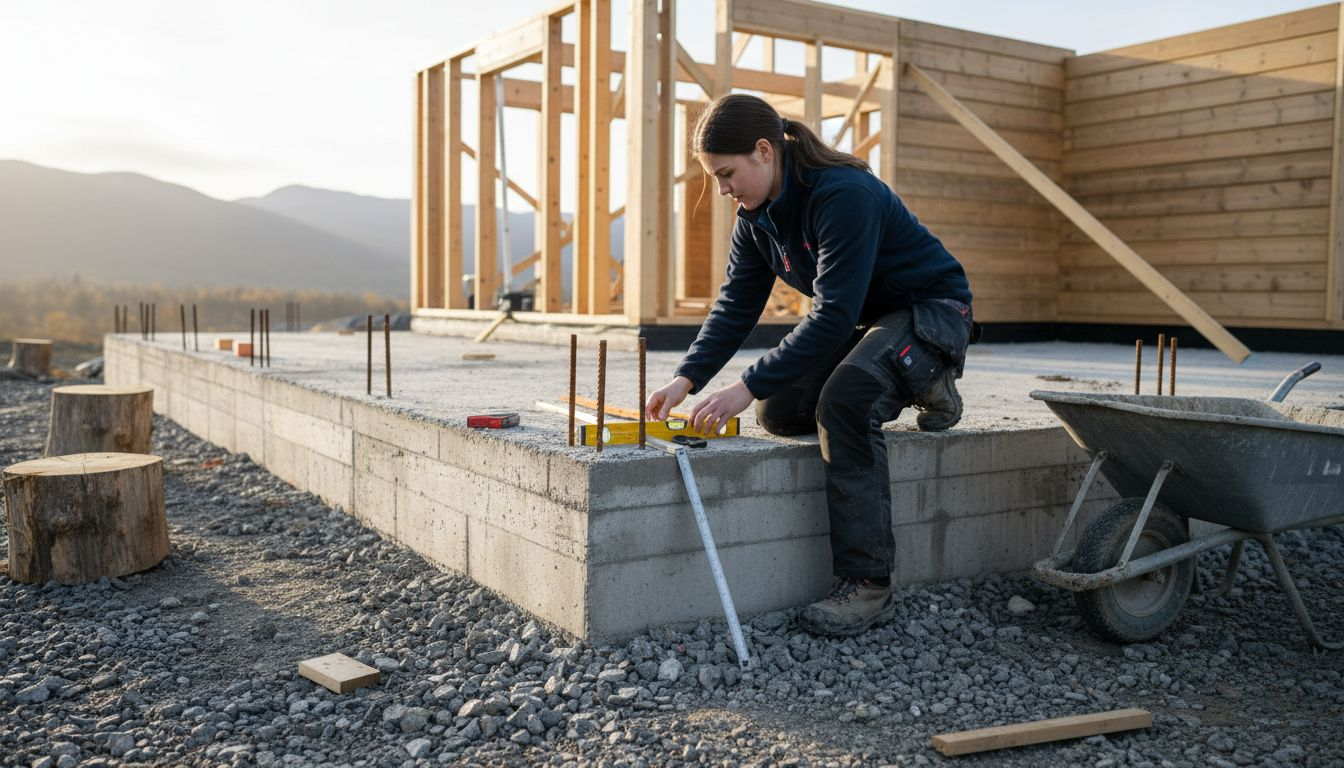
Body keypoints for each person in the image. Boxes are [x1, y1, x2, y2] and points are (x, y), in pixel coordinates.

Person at [645, 93, 974, 637]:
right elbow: (736, 304)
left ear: (763, 151)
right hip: (872, 324)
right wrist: (688, 377)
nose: (723, 190)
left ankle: (868, 584)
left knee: (845, 402)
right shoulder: (755, 218)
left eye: (726, 174)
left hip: (931, 314)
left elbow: (832, 314)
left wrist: (743, 386)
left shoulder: (843, 194)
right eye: (715, 178)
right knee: (779, 412)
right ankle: (910, 377)